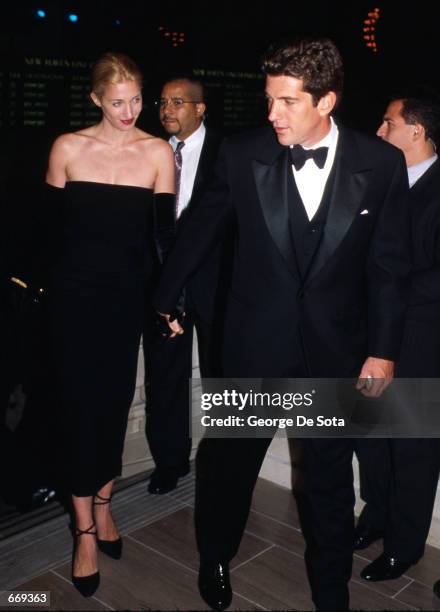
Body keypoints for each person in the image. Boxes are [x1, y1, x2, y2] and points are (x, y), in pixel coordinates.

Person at [154, 38, 411, 610]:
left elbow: (390, 267)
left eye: (287, 102)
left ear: (327, 102)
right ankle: (215, 558)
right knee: (229, 467)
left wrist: (383, 351)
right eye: (269, 99)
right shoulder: (242, 154)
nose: (271, 114)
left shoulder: (382, 163)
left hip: (337, 351)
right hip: (250, 345)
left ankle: (330, 592)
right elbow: (200, 228)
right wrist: (165, 297)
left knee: (328, 482)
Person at [45, 52, 174, 597]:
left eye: (136, 100)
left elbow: (164, 242)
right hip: (72, 305)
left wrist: (170, 304)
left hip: (126, 305)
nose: (129, 111)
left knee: (114, 406)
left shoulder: (157, 152)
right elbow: (46, 238)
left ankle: (104, 507)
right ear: (96, 99)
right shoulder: (68, 149)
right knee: (77, 413)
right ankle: (83, 533)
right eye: (117, 101)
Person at [355, 93, 440, 582]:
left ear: (416, 131)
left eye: (388, 122)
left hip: (422, 341)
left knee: (412, 446)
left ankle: (404, 546)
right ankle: (376, 516)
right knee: (371, 436)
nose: (379, 130)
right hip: (371, 335)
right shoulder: (379, 179)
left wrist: (384, 285)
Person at [144, 76, 226, 495]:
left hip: (216, 282)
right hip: (163, 283)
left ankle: (224, 461)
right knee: (164, 377)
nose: (167, 109)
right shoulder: (149, 151)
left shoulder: (228, 152)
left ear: (200, 108)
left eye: (178, 102)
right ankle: (170, 462)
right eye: (163, 101)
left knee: (221, 374)